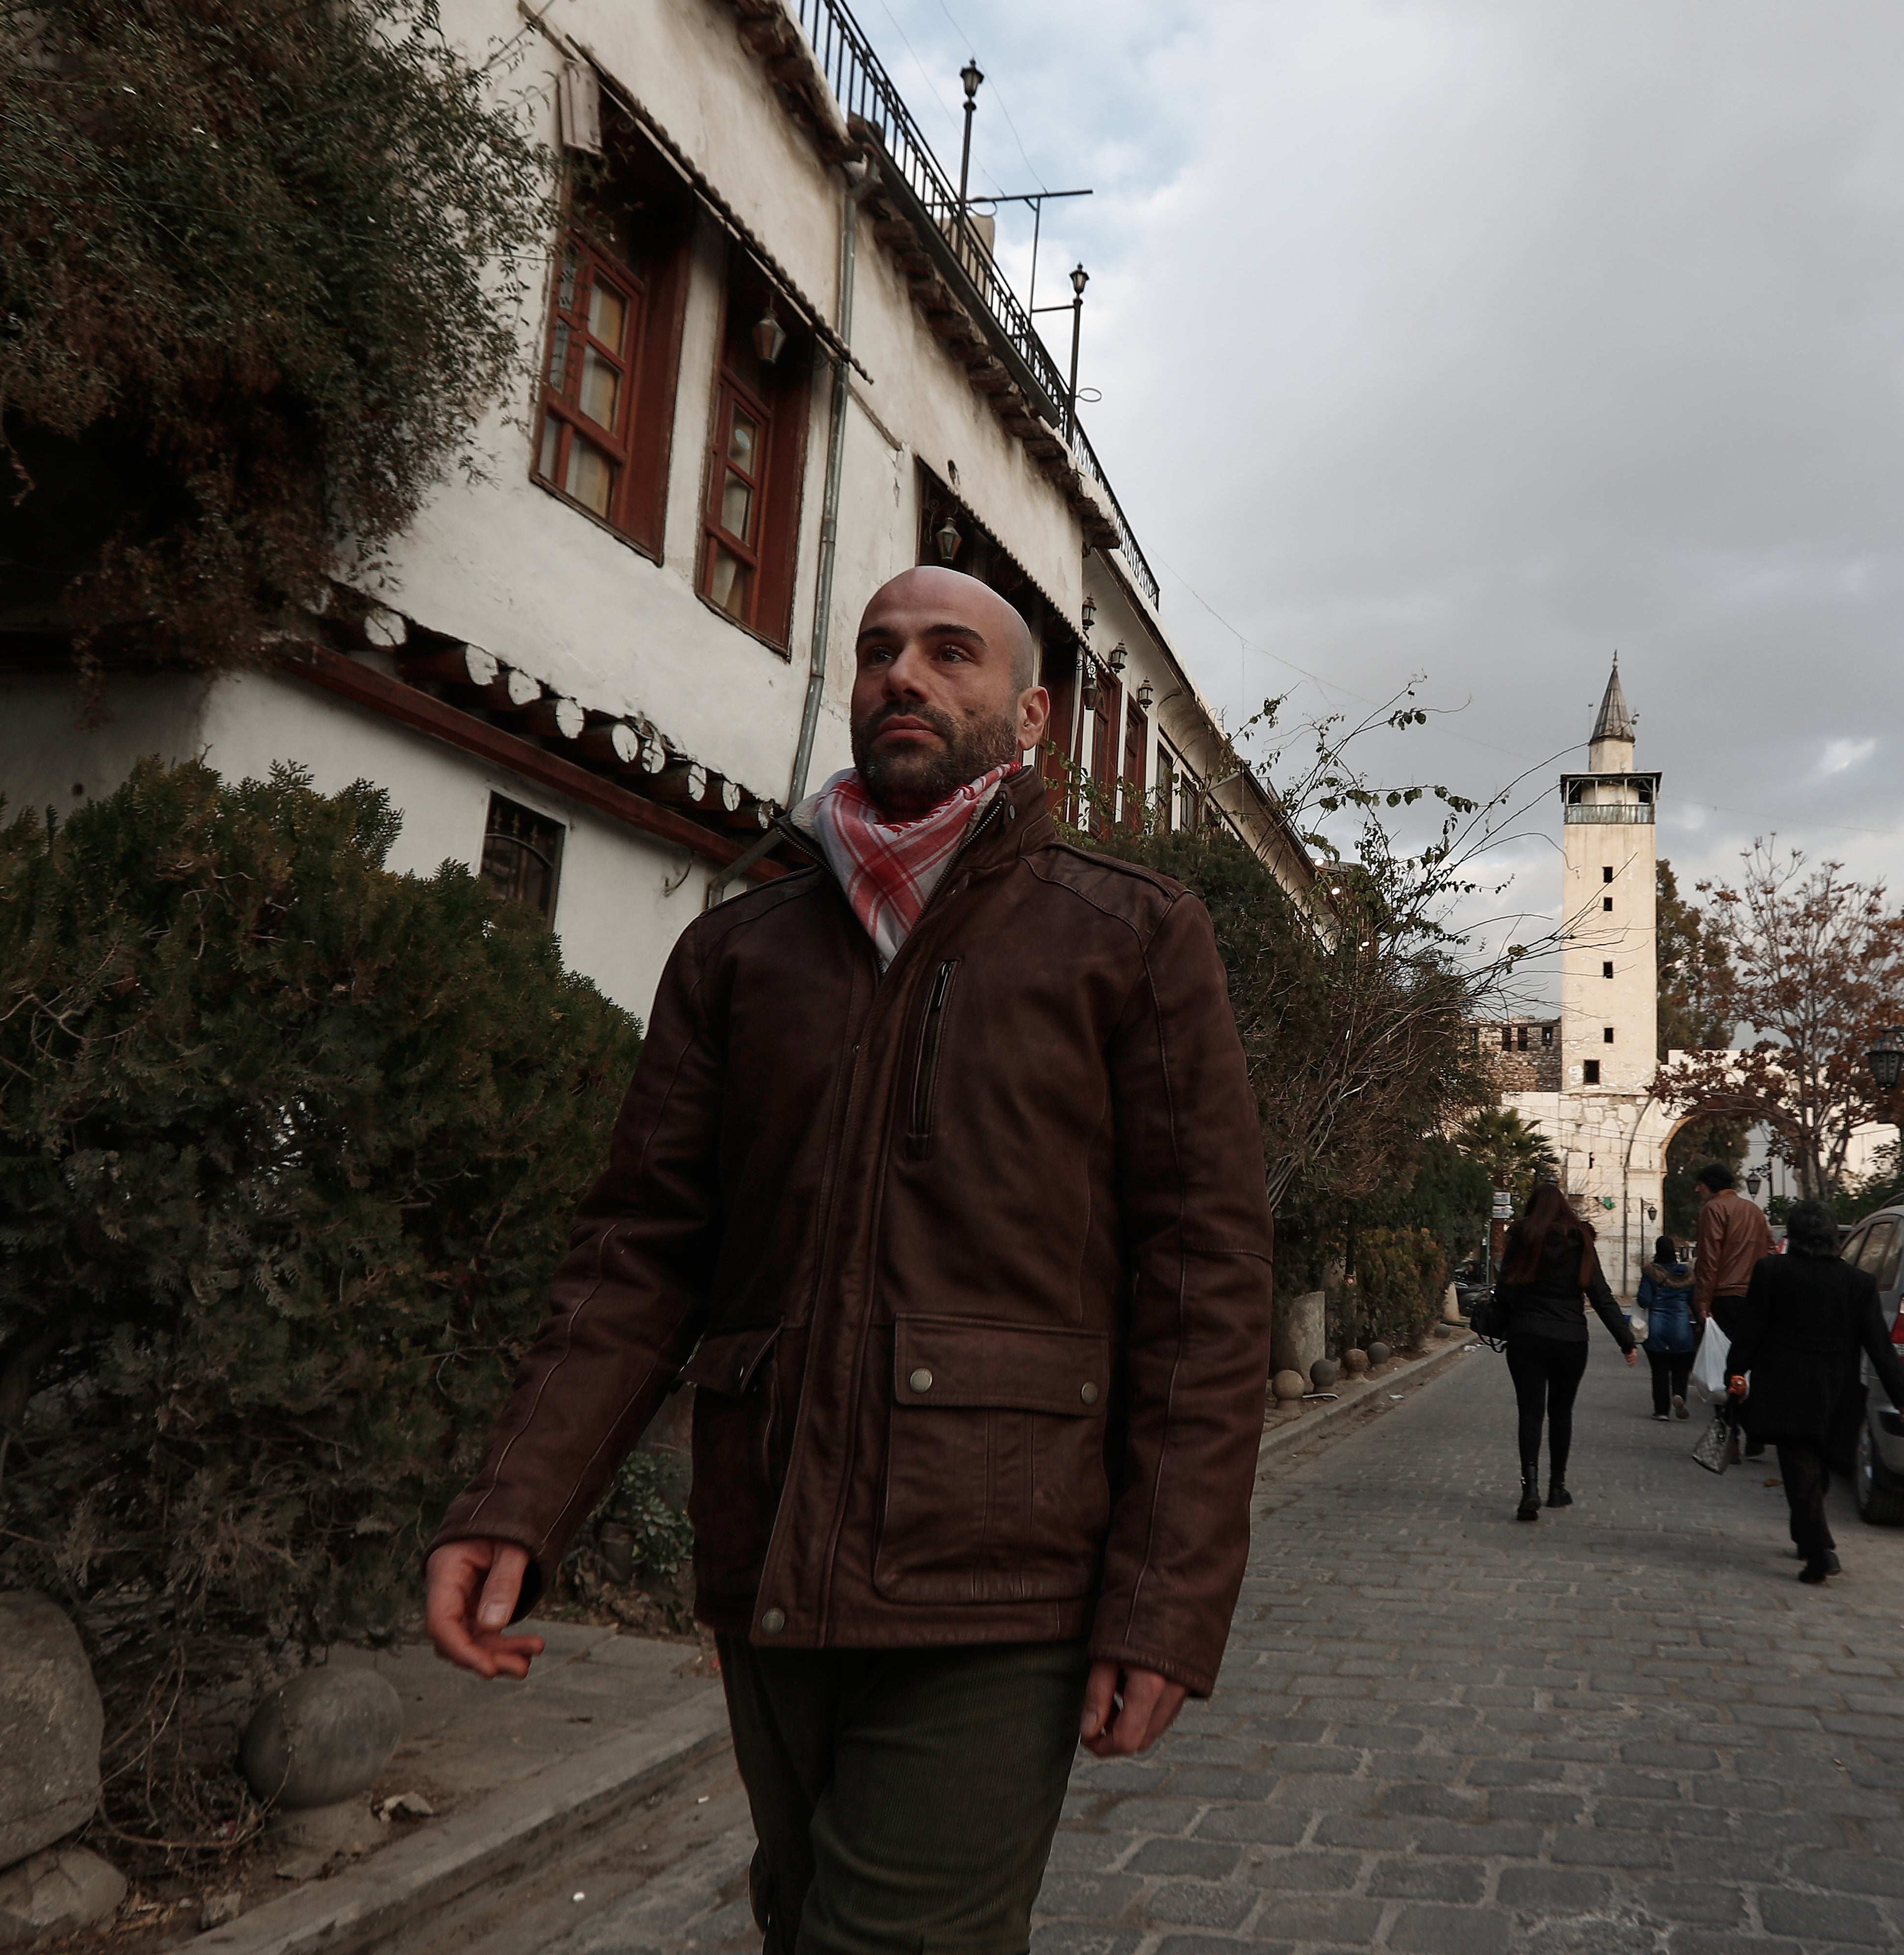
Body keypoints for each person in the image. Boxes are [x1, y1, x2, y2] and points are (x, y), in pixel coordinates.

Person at [420, 566, 1273, 1955]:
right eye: (880, 650)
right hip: (773, 1553)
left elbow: (1205, 1287)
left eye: (952, 653)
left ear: (1032, 713)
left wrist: (1166, 1599)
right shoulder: (740, 949)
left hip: (1003, 1574)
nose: (906, 676)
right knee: (802, 1910)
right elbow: (638, 1256)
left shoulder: (1127, 938)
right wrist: (517, 1500)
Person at [1725, 1200, 1904, 1584]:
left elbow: (1752, 1328)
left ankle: (1819, 1551)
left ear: (1794, 1236)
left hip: (1784, 1383)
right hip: (1836, 1388)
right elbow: (1879, 1344)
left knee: (1800, 1468)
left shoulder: (1771, 1271)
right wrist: (1903, 1396)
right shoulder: (1858, 1283)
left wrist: (1736, 1370)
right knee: (1816, 1466)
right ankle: (1807, 1536)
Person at [1493, 1172, 1638, 1521]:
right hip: (1571, 1339)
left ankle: (1530, 1489)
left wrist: (1500, 1322)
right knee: (1562, 1413)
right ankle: (1557, 1486)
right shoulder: (1582, 1241)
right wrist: (1626, 1341)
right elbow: (1601, 1295)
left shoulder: (1523, 1236)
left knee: (1530, 1412)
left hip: (1528, 1335)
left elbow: (1507, 1290)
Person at [1690, 1162, 1775, 1456]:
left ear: (1710, 1184)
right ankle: (1756, 1434)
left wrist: (1702, 1302)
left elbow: (1709, 1259)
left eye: (1700, 1183)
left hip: (1725, 1296)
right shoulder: (1754, 1211)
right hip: (1755, 1297)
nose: (1697, 1189)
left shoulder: (1713, 1210)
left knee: (1723, 1367)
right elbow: (1770, 1251)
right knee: (1749, 1365)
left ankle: (1730, 1437)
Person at [1636, 1234, 1697, 1419]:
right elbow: (1694, 1302)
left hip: (1657, 1328)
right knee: (1681, 1367)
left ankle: (1662, 1410)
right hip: (1682, 1328)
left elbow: (1644, 1300)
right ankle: (1679, 1395)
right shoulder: (1686, 1274)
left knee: (1660, 1370)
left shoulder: (1650, 1273)